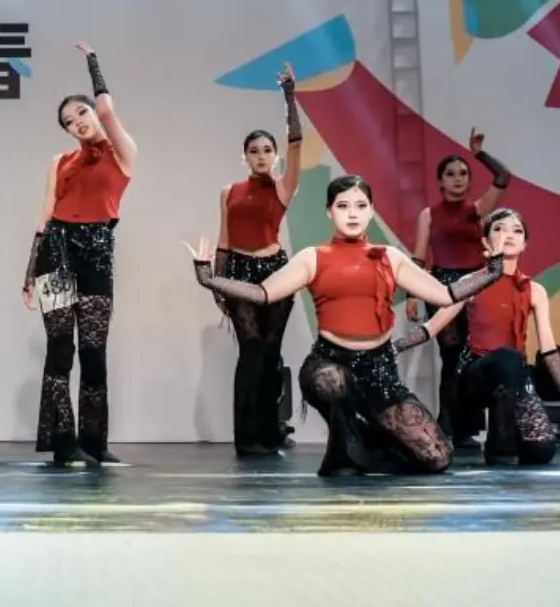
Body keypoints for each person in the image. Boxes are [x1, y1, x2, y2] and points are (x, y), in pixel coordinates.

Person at [185, 174, 505, 476]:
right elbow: (262, 293)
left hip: (380, 371)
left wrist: (492, 271)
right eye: (343, 205)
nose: (352, 213)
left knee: (437, 458)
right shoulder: (313, 257)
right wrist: (209, 279)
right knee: (333, 382)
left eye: (360, 205)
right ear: (329, 211)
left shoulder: (390, 257)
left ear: (371, 211)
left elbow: (446, 294)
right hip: (330, 362)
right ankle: (348, 450)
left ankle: (362, 449)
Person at [22, 42, 137, 466]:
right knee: (59, 349)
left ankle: (94, 442)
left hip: (97, 251)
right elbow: (44, 215)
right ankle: (63, 443)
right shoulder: (59, 161)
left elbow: (107, 110)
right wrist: (30, 272)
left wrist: (93, 63)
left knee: (93, 351)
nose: (77, 123)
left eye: (81, 113)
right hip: (56, 248)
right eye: (69, 122)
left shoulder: (123, 153)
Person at [393, 208, 556, 466]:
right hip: (475, 375)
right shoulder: (472, 282)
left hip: (514, 375)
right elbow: (431, 327)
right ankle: (500, 449)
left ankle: (510, 434)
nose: (509, 235)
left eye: (517, 231)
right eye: (499, 229)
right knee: (507, 357)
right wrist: (392, 347)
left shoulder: (535, 290)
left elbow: (548, 350)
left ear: (524, 244)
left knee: (542, 451)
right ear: (485, 241)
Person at [214, 63, 302, 456]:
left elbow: (296, 142)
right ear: (245, 157)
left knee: (270, 351)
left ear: (276, 155)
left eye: (267, 150)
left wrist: (289, 96)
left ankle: (270, 431)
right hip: (239, 271)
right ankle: (247, 436)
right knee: (250, 350)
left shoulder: (284, 187)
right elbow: (223, 238)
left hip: (275, 271)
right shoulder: (229, 191)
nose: (261, 156)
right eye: (254, 151)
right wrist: (217, 283)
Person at [406, 129, 510, 448]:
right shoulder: (429, 214)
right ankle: (447, 424)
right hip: (443, 290)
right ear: (440, 181)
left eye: (463, 173)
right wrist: (412, 294)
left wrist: (479, 155)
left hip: (477, 288)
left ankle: (466, 428)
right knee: (451, 357)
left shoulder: (477, 210)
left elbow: (503, 177)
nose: (458, 179)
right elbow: (419, 256)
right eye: (450, 174)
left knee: (472, 357)